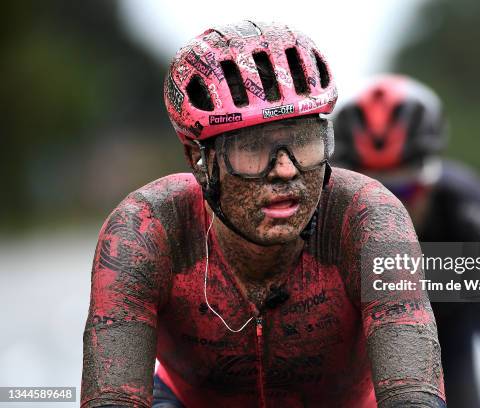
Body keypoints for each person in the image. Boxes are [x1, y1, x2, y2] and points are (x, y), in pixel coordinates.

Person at [80, 22, 446, 407]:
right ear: (198, 159)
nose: (286, 170)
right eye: (254, 148)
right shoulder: (144, 231)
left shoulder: (370, 219)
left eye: (303, 142)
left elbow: (413, 395)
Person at [333, 74, 480, 408]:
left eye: (402, 191)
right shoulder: (322, 211)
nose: (388, 208)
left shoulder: (468, 210)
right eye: (369, 191)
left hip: (449, 351)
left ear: (428, 179)